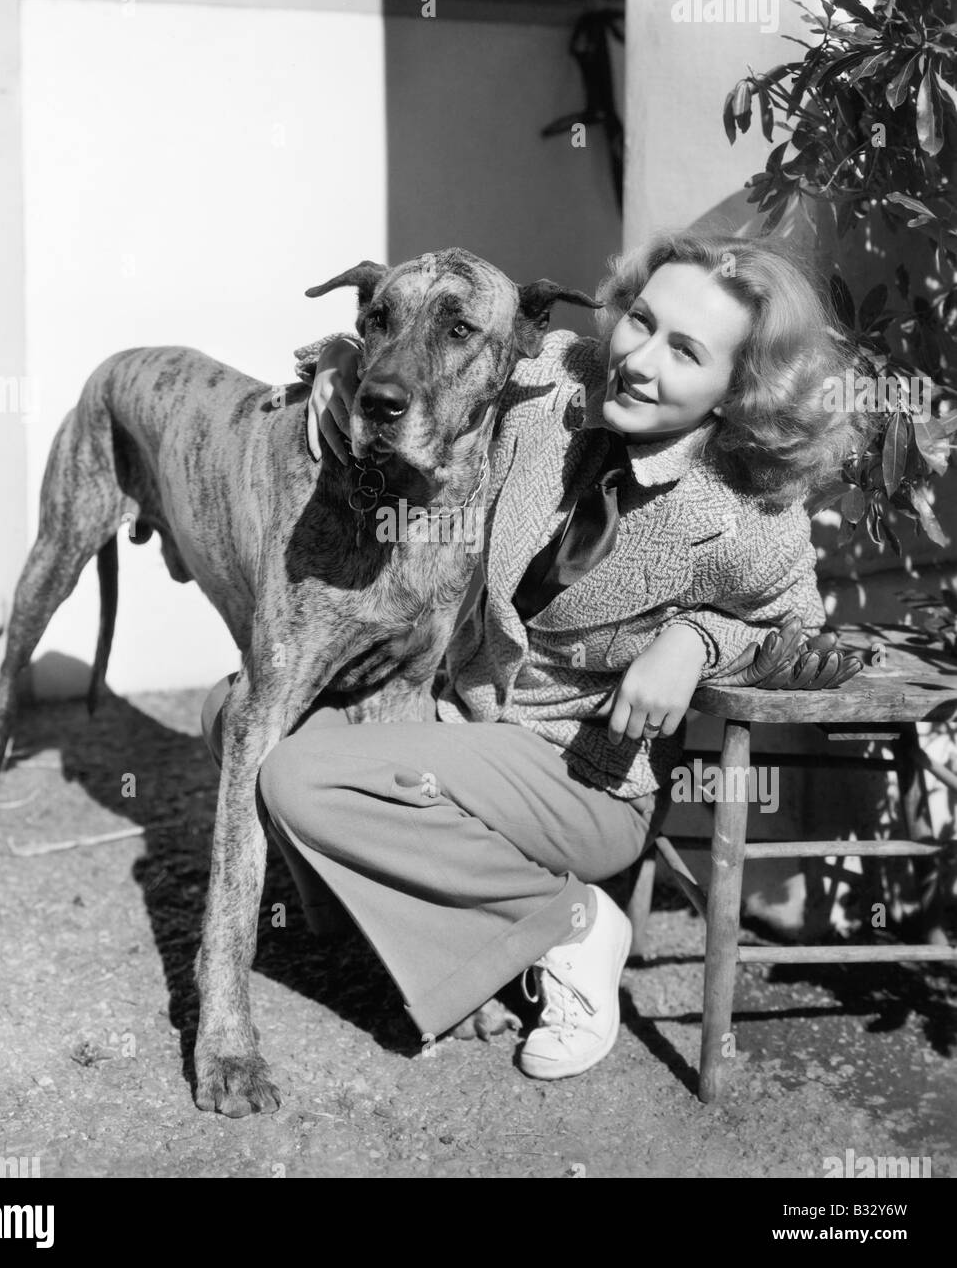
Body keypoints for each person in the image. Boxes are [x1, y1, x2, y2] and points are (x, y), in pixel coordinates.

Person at [202, 231, 861, 1081]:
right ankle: (439, 935)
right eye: (642, 322)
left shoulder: (745, 516)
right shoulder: (554, 377)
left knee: (298, 778)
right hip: (466, 727)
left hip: (579, 775)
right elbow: (427, 335)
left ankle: (574, 926)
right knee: (231, 712)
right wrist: (336, 363)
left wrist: (693, 643)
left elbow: (791, 629)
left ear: (741, 388)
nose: (640, 360)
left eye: (686, 351)